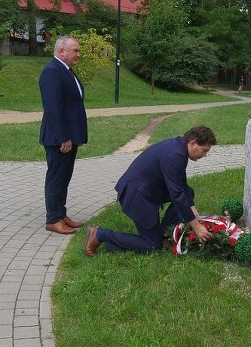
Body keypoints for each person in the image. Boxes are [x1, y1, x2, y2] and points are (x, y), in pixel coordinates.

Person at [84, 126, 217, 256]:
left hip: (146, 190)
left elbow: (183, 188)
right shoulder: (175, 156)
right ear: (193, 143)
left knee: (188, 192)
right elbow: (177, 195)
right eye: (204, 150)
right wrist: (196, 227)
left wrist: (196, 217)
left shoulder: (179, 148)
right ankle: (100, 234)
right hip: (136, 196)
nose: (205, 155)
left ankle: (161, 236)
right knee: (153, 246)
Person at [39, 36, 88, 235]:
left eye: (78, 50)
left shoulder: (65, 71)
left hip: (69, 136)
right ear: (61, 52)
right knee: (56, 178)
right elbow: (53, 108)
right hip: (59, 138)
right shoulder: (52, 72)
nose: (79, 54)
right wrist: (63, 137)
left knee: (64, 177)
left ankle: (61, 214)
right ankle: (53, 219)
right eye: (75, 50)